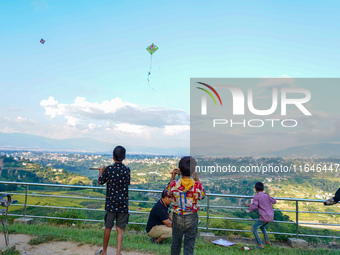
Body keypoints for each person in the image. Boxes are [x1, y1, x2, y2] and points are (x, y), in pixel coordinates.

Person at [165, 156, 205, 255]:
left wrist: (173, 177)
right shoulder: (197, 185)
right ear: (193, 171)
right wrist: (197, 179)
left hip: (177, 217)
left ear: (180, 170)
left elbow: (167, 193)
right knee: (189, 245)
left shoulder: (174, 184)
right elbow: (202, 196)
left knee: (176, 243)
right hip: (191, 217)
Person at [95, 146, 130, 255]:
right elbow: (127, 182)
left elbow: (101, 181)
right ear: (124, 156)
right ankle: (118, 253)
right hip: (123, 204)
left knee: (108, 227)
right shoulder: (127, 170)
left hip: (111, 204)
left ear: (113, 156)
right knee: (120, 229)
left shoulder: (109, 169)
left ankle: (104, 251)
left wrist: (101, 172)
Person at [245, 182, 276, 249]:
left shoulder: (256, 197)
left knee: (254, 228)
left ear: (255, 189)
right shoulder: (266, 195)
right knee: (262, 227)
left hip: (264, 217)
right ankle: (268, 242)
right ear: (263, 188)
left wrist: (249, 205)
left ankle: (260, 244)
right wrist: (268, 196)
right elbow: (274, 201)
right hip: (270, 216)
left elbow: (255, 206)